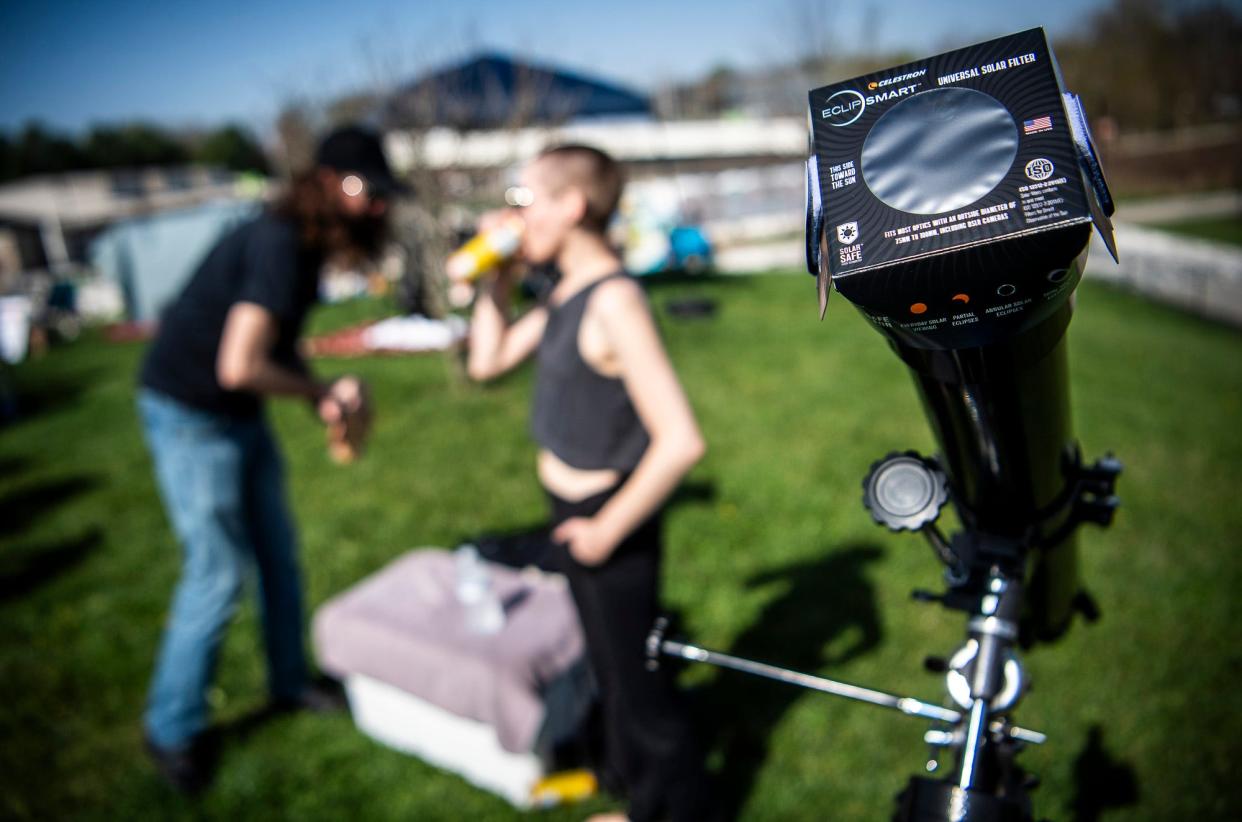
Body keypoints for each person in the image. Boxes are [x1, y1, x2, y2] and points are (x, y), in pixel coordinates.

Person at [136, 125, 399, 793]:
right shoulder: (279, 241)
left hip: (236, 414)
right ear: (333, 182)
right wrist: (321, 391)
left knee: (278, 558)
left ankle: (289, 683)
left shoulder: (304, 246)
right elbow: (238, 363)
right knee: (217, 574)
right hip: (191, 413)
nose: (379, 208)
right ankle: (170, 728)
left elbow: (272, 350)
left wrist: (318, 401)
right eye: (372, 192)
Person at [466, 145, 712, 822]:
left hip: (610, 518)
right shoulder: (564, 294)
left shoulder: (615, 300)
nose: (517, 216)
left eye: (526, 200)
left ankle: (682, 810)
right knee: (609, 665)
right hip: (569, 509)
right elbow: (486, 362)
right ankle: (634, 795)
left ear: (571, 206)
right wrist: (495, 275)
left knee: (641, 682)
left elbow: (681, 440)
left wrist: (606, 531)